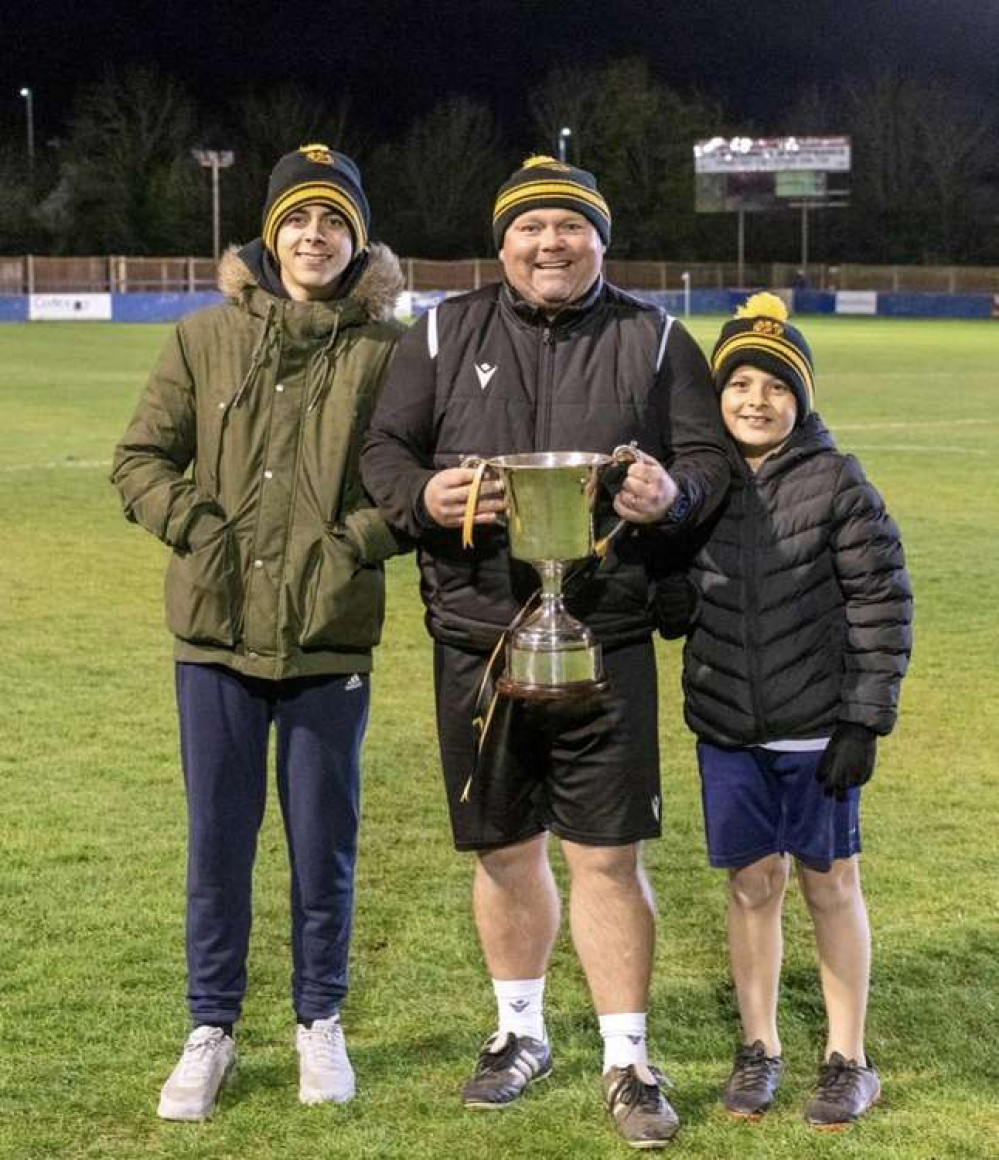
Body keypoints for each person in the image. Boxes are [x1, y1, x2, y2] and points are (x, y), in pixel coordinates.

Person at [361, 155, 730, 1148]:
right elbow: (385, 449)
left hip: (603, 636)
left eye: (572, 226)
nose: (551, 243)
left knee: (609, 855)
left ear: (601, 240)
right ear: (503, 240)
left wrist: (675, 494)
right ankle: (518, 1031)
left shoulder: (654, 338)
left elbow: (708, 462)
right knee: (503, 846)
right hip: (478, 639)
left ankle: (628, 1054)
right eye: (532, 227)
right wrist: (420, 496)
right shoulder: (442, 329)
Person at [111, 144, 404, 1122]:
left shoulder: (388, 352)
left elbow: (416, 481)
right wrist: (200, 530)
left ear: (356, 242)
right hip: (217, 636)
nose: (314, 237)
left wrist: (355, 540)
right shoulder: (202, 339)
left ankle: (319, 1019)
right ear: (270, 232)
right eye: (298, 220)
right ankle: (211, 1028)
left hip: (329, 635)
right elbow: (141, 458)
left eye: (334, 223)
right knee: (218, 843)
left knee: (325, 843)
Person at [662, 293, 912, 1129]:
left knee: (829, 884)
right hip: (728, 724)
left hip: (815, 728)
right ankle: (759, 1046)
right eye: (738, 383)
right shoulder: (700, 483)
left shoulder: (837, 480)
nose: (755, 400)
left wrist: (861, 720)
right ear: (718, 394)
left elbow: (881, 602)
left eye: (775, 384)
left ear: (800, 397)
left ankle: (849, 1058)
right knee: (750, 884)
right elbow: (672, 579)